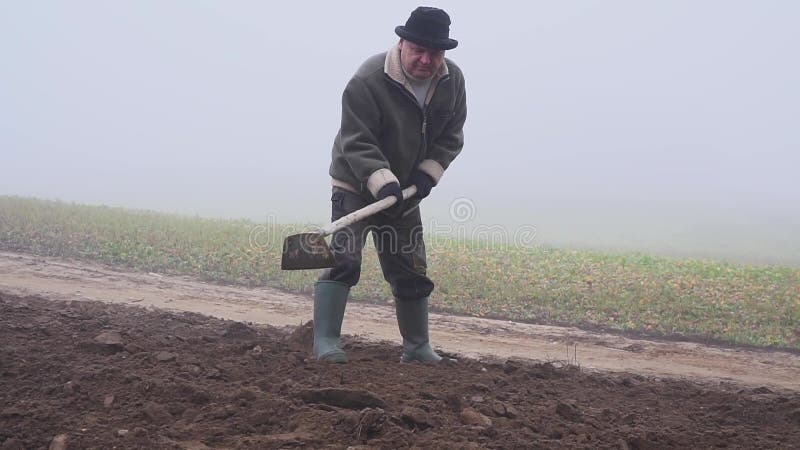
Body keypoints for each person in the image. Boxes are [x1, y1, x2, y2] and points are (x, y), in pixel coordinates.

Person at [313, 6, 466, 364]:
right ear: (402, 44)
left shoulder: (452, 82)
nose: (426, 59)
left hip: (407, 189)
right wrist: (382, 182)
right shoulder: (368, 79)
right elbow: (357, 139)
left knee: (410, 265)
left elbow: (452, 135)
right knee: (345, 259)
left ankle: (416, 347)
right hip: (355, 182)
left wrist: (427, 174)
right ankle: (325, 342)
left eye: (435, 52)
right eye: (419, 50)